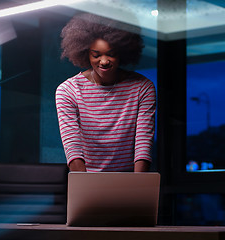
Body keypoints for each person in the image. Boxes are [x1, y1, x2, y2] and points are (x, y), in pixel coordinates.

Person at [56, 13, 156, 173]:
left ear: (122, 52)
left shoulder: (142, 88)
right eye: (96, 55)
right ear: (84, 53)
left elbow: (143, 144)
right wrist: (85, 187)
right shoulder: (68, 91)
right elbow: (73, 148)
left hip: (129, 183)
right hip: (86, 183)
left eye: (111, 54)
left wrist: (138, 187)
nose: (103, 61)